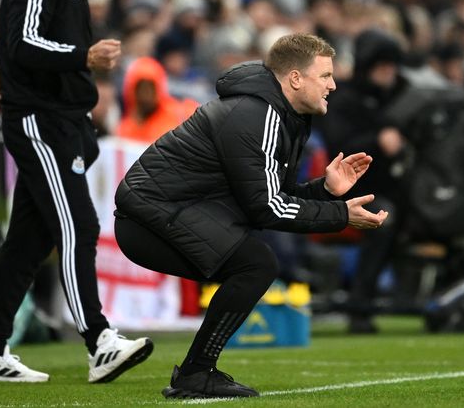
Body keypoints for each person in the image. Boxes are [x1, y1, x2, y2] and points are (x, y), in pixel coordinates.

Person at [113, 33, 388, 399]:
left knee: (254, 262)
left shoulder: (280, 115)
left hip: (171, 211)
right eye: (324, 76)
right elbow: (266, 208)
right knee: (255, 263)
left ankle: (197, 371)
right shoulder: (257, 114)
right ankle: (196, 373)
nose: (333, 85)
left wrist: (324, 190)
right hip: (147, 218)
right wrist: (339, 214)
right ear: (294, 78)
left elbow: (270, 197)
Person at [0, 0, 153, 384]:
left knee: (27, 244)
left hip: (65, 122)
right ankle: (99, 341)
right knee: (78, 226)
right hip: (40, 120)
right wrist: (83, 57)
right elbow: (21, 45)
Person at [315, 28, 410, 334]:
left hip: (390, 188)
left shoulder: (399, 96)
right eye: (381, 65)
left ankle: (406, 296)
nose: (388, 71)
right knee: (385, 219)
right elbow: (338, 145)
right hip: (350, 190)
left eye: (391, 64)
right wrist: (378, 140)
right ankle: (360, 304)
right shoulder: (344, 98)